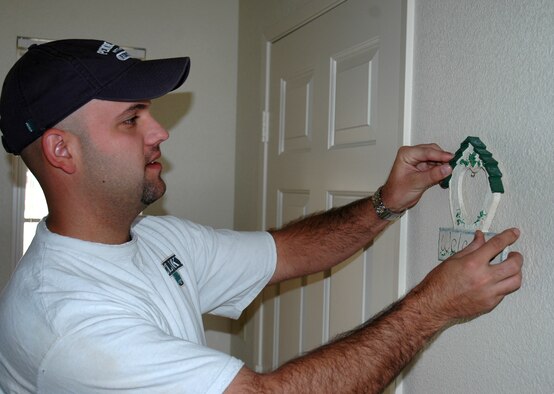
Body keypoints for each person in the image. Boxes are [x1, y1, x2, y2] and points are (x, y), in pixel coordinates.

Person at [0, 39, 522, 393]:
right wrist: (435, 305)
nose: (159, 131)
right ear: (62, 150)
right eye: (131, 118)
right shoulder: (69, 323)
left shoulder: (151, 238)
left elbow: (286, 252)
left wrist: (386, 201)